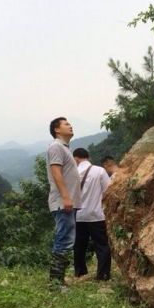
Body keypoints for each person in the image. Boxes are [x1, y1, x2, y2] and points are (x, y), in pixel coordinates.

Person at [46, 117, 81, 289]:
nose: (70, 125)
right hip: (63, 202)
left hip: (67, 202)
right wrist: (66, 197)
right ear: (57, 130)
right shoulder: (56, 146)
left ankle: (58, 279)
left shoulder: (65, 148)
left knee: (66, 239)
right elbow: (56, 173)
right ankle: (55, 283)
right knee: (64, 239)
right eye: (66, 124)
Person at [73, 148, 112, 280]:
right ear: (88, 157)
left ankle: (80, 272)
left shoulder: (72, 173)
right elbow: (109, 190)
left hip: (78, 216)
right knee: (101, 245)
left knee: (79, 245)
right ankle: (103, 275)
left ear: (76, 159)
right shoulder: (99, 171)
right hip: (96, 215)